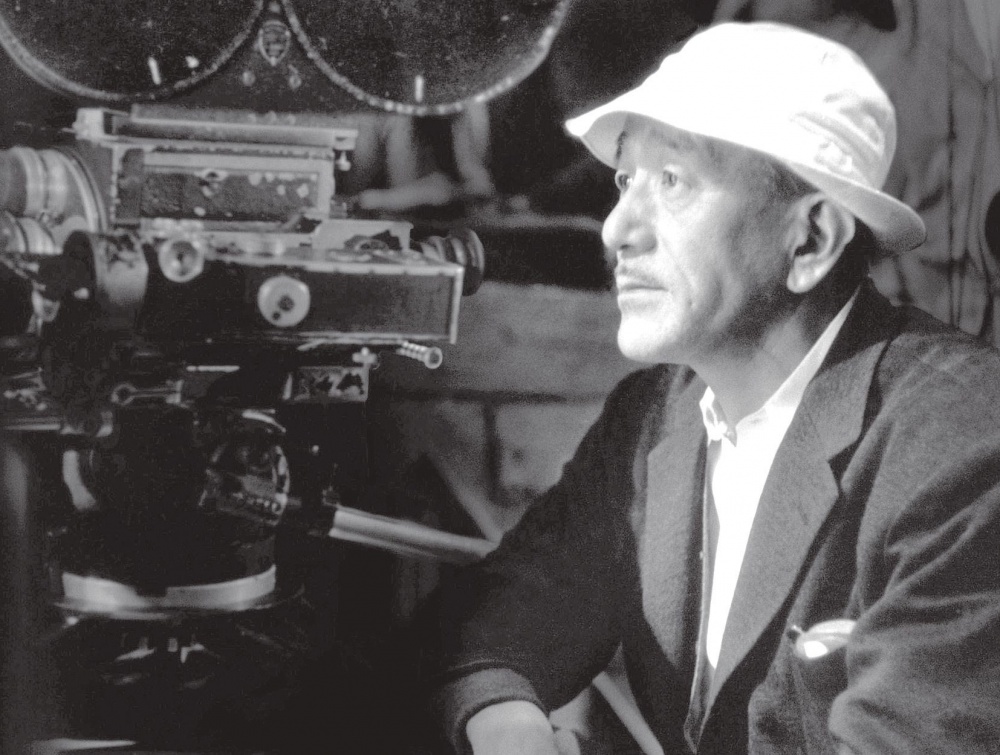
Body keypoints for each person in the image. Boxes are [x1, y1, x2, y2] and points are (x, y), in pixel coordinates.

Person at [428, 21, 1000, 755]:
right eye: (625, 181)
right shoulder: (656, 416)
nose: (616, 230)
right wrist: (507, 722)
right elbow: (503, 613)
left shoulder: (965, 447)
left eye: (672, 181)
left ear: (811, 240)